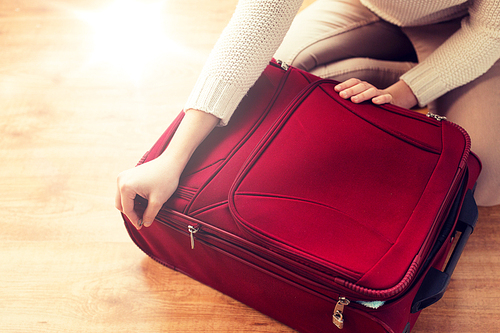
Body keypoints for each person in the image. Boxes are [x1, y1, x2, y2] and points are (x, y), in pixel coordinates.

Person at [116, 0, 500, 230]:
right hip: (372, 7)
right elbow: (256, 23)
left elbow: (489, 31)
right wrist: (173, 157)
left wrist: (402, 94)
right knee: (276, 75)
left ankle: (420, 76)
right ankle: (400, 71)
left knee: (485, 180)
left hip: (468, 23)